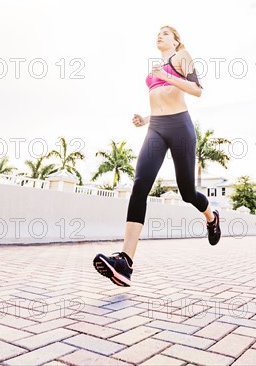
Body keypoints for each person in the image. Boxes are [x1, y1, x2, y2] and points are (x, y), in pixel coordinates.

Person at [93, 25, 221, 286]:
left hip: (180, 127)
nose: (159, 36)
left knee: (187, 192)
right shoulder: (155, 67)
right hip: (156, 128)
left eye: (166, 33)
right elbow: (161, 101)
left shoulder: (182, 57)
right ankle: (125, 262)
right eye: (158, 34)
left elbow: (197, 90)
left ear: (176, 41)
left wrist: (168, 75)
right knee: (140, 186)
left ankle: (211, 216)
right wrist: (146, 118)